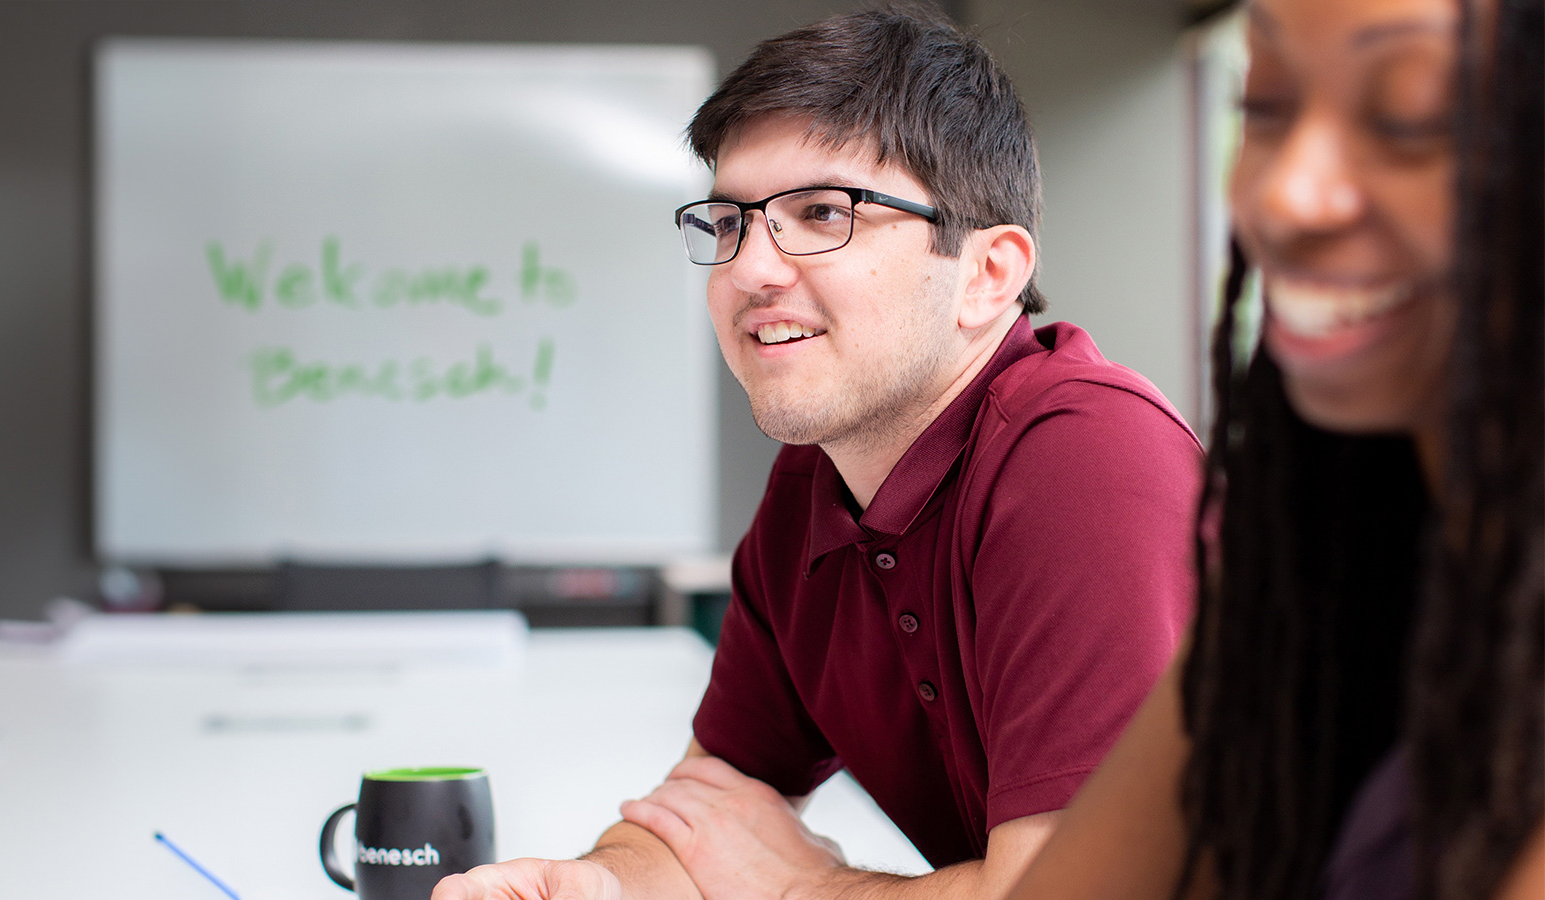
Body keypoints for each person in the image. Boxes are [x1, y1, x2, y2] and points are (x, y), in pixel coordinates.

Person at [435, 6, 1203, 900]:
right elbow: (710, 813)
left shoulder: (1086, 460)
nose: (751, 269)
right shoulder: (816, 487)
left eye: (822, 212)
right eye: (730, 223)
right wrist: (594, 884)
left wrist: (809, 892)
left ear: (988, 274)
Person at [1003, 0, 1544, 899]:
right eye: (1266, 106)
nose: (1285, 195)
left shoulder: (1080, 438)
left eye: (1407, 118)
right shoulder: (1312, 574)